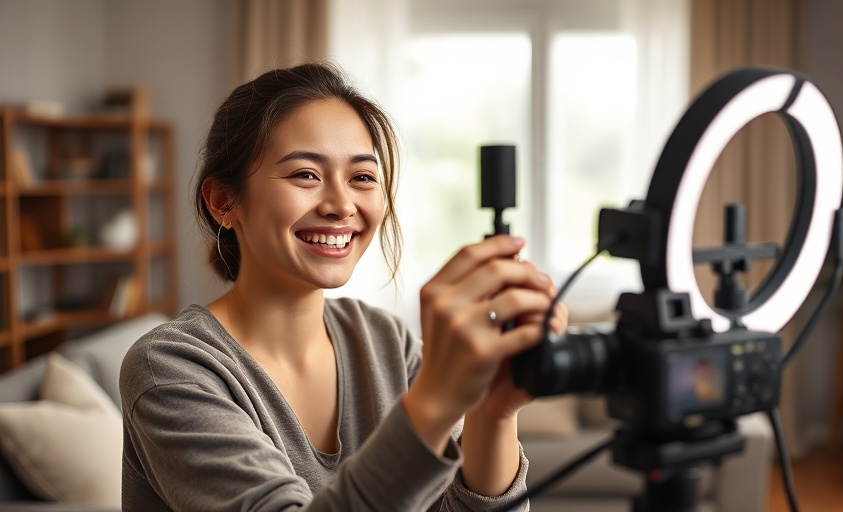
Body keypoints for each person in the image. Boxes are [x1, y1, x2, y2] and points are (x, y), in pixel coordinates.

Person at [119, 62, 567, 511]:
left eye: (362, 178)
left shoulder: (386, 342)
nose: (340, 205)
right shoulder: (171, 369)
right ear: (224, 202)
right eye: (305, 175)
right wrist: (434, 401)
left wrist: (492, 410)